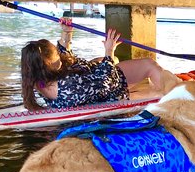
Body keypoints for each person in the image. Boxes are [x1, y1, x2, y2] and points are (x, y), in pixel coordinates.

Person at [20, 19, 179, 110]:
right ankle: (180, 94)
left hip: (99, 80)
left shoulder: (37, 77)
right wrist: (109, 51)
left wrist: (66, 33)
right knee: (151, 70)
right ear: (47, 64)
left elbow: (64, 55)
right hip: (111, 93)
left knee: (147, 66)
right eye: (57, 56)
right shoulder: (65, 87)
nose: (60, 56)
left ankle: (168, 84)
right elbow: (104, 84)